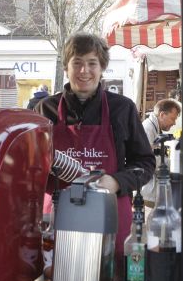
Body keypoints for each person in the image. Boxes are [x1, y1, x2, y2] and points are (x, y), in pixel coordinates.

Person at [34, 32, 155, 255]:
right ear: (66, 67)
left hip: (109, 213)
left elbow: (145, 163)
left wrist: (116, 181)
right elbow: (30, 166)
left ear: (102, 68)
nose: (84, 70)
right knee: (58, 271)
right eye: (77, 63)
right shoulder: (45, 109)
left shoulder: (122, 109)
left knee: (109, 273)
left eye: (92, 63)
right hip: (58, 218)